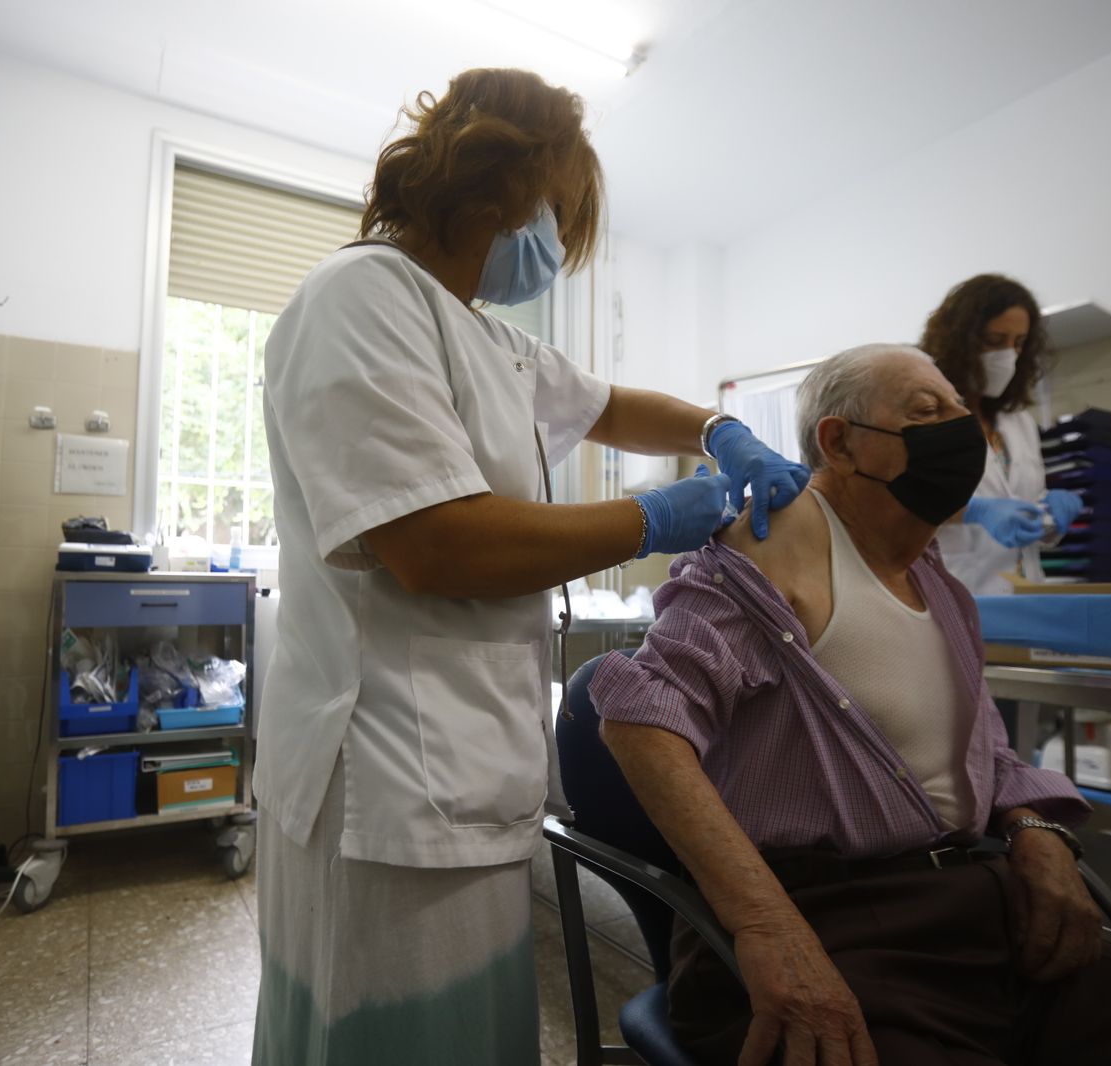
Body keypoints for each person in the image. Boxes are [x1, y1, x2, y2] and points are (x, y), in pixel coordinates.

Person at [252, 68, 807, 1066]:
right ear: (492, 185)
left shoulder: (491, 338)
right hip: (382, 773)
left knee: (473, 1033)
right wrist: (649, 517)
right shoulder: (362, 295)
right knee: (386, 1037)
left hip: (465, 761)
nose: (555, 244)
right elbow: (436, 545)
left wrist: (723, 430)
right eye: (556, 213)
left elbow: (612, 405)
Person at [592, 344, 1111, 1066]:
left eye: (959, 410)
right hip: (834, 929)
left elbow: (987, 749)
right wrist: (765, 926)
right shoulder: (777, 542)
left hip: (976, 917)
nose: (962, 430)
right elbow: (639, 718)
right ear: (839, 442)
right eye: (926, 409)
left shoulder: (939, 585)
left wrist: (1036, 830)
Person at [922, 274, 1083, 596]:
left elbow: (1018, 503)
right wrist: (975, 511)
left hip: (1024, 592)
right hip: (953, 590)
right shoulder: (924, 412)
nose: (1008, 355)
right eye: (995, 341)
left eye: (1019, 343)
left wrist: (1048, 513)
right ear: (958, 340)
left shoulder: (1017, 421)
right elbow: (895, 500)